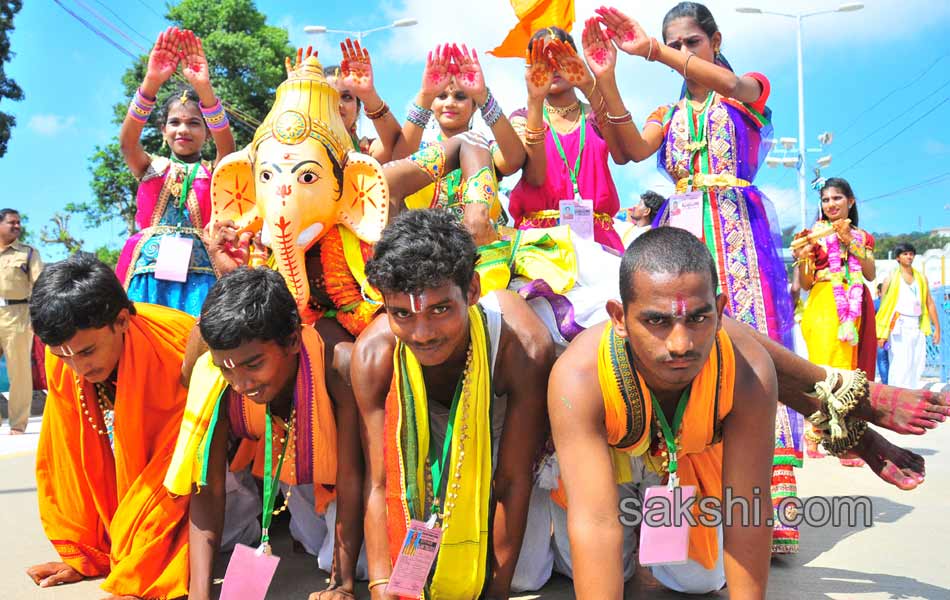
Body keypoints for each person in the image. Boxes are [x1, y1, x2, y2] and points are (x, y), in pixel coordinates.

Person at [589, 2, 802, 554]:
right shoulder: (668, 109)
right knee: (673, 357)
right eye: (674, 44)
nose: (684, 52)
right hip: (680, 236)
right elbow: (632, 149)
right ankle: (681, 515)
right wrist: (608, 79)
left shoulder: (747, 90)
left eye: (692, 43)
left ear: (715, 39)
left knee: (750, 354)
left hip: (737, 236)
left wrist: (654, 53)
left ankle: (768, 511)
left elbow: (732, 82)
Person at [549, 227, 775, 596]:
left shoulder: (749, 370)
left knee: (700, 581)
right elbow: (596, 519)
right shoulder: (579, 375)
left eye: (699, 319)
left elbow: (746, 508)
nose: (681, 344)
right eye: (657, 321)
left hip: (683, 463)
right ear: (619, 318)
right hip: (605, 468)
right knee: (592, 569)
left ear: (719, 310)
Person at [351, 209, 554, 599]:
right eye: (402, 314)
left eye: (440, 309)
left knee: (527, 576)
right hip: (421, 450)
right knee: (384, 572)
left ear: (472, 291)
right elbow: (379, 483)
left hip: (497, 439)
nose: (422, 333)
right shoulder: (373, 357)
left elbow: (512, 480)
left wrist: (495, 592)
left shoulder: (520, 343)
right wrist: (380, 589)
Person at [166, 267, 365, 600]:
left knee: (356, 566)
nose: (241, 383)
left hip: (343, 481)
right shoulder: (214, 373)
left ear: (291, 340)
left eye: (253, 365)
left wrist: (340, 584)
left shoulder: (337, 363)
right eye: (225, 367)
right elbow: (208, 487)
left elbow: (353, 476)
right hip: (293, 478)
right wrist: (199, 595)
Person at [25, 253, 192, 598]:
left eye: (87, 352)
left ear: (121, 321)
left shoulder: (175, 354)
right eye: (62, 355)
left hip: (225, 473)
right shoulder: (66, 358)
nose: (77, 368)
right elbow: (68, 458)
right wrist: (85, 553)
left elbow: (174, 473)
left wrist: (138, 574)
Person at [116, 27, 235, 316]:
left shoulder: (214, 172)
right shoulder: (151, 167)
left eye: (194, 123)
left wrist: (204, 88)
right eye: (175, 122)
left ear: (206, 133)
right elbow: (127, 142)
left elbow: (229, 149)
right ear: (163, 130)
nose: (183, 129)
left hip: (202, 273)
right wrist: (151, 82)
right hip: (146, 273)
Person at [509, 26, 627, 252]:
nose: (553, 68)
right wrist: (535, 100)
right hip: (540, 243)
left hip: (599, 241)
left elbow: (623, 153)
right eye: (543, 61)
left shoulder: (594, 115)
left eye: (560, 58)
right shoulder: (522, 118)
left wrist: (588, 85)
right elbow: (534, 177)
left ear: (576, 60)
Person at [395, 43, 524, 228]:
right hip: (426, 250)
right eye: (441, 96)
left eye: (460, 97)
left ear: (474, 107)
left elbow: (513, 161)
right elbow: (397, 162)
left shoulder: (485, 150)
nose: (450, 103)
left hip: (483, 252)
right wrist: (425, 95)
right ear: (432, 104)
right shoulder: (422, 152)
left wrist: (483, 97)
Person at [796, 178, 876, 464]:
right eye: (826, 200)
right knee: (824, 371)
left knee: (850, 372)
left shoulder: (863, 236)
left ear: (850, 202)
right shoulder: (812, 235)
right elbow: (805, 283)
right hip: (822, 303)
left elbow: (869, 273)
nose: (831, 204)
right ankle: (818, 432)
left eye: (837, 199)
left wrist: (849, 241)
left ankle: (845, 440)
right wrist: (804, 257)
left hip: (855, 308)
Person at [323, 39, 402, 162]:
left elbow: (399, 147)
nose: (338, 104)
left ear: (358, 109)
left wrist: (369, 94)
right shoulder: (295, 149)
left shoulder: (367, 151)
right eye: (329, 97)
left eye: (347, 97)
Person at [0, 208, 42, 434]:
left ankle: (17, 424)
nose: (17, 226)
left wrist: (38, 316)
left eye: (19, 223)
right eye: (11, 223)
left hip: (18, 315)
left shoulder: (27, 253)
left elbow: (39, 286)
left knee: (19, 372)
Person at [877, 243, 940, 389]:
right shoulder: (891, 278)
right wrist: (882, 334)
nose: (909, 257)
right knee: (900, 362)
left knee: (917, 362)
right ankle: (897, 396)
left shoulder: (921, 278)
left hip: (917, 324)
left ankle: (912, 394)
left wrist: (937, 328)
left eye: (911, 254)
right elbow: (884, 308)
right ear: (898, 258)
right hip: (899, 325)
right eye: (905, 254)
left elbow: (929, 303)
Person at [875, 282, 890, 384]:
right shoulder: (891, 304)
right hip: (890, 337)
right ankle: (890, 382)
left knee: (882, 360)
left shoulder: (875, 304)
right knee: (889, 359)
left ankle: (886, 382)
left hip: (880, 337)